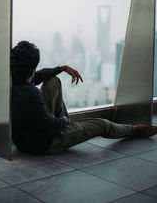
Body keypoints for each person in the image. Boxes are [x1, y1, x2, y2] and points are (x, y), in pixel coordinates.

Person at [11, 40, 157, 155]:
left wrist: (62, 68)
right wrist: (63, 120)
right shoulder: (32, 94)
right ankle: (134, 130)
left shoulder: (13, 83)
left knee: (53, 80)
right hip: (44, 144)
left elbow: (40, 75)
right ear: (32, 69)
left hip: (24, 142)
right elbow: (50, 127)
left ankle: (67, 126)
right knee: (102, 124)